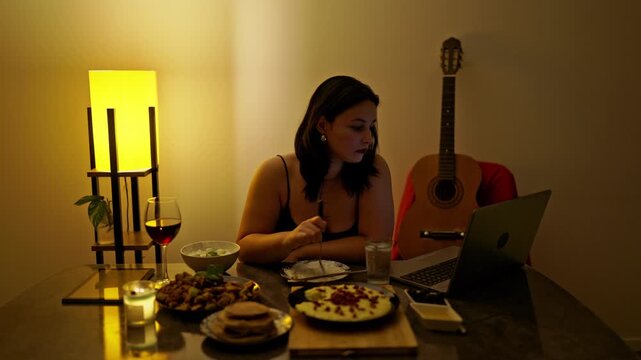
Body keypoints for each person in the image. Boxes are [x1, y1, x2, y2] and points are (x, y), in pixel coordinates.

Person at [236, 75, 394, 265]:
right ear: (322, 125)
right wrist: (288, 239)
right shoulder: (275, 172)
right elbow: (245, 248)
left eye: (371, 127)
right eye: (357, 127)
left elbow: (376, 245)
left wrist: (305, 251)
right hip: (283, 290)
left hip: (354, 292)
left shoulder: (374, 168)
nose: (368, 138)